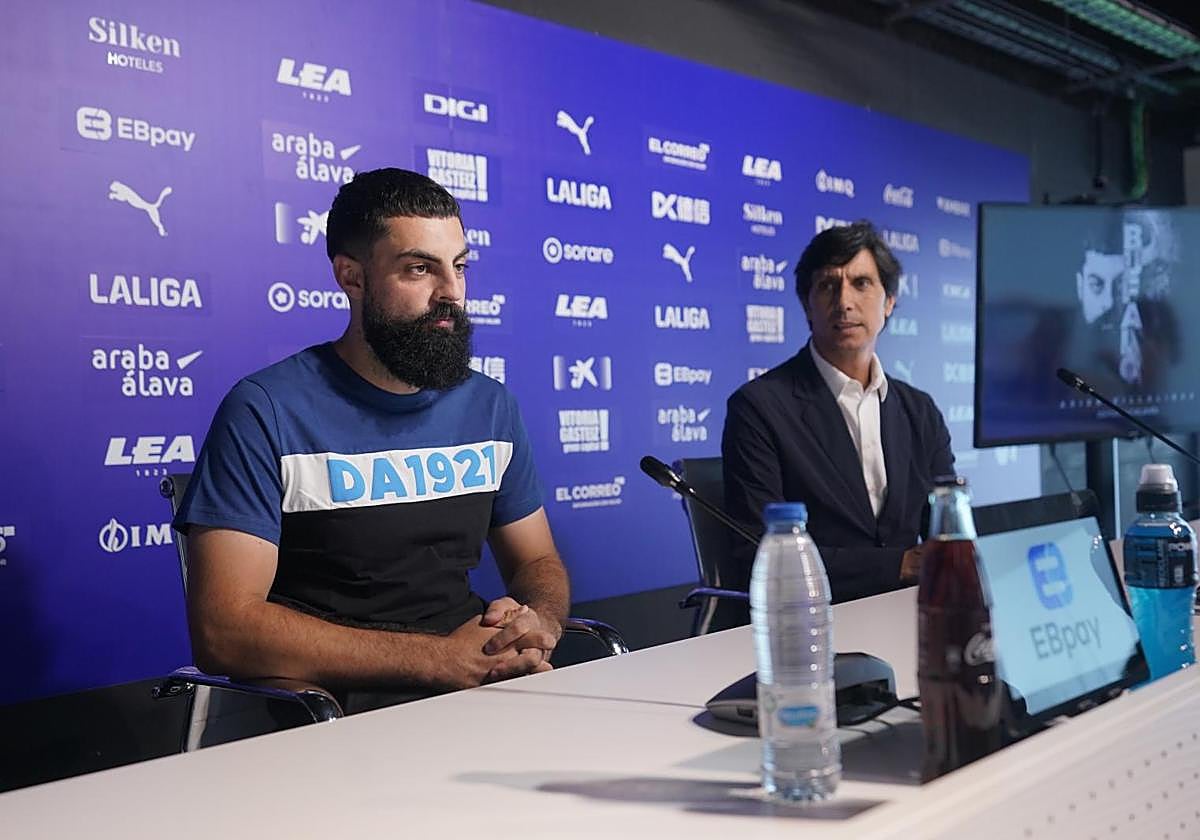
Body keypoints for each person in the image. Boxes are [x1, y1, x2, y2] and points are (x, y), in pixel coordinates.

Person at [173, 168, 569, 713]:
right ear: (350, 276)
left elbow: (538, 562)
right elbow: (224, 630)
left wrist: (538, 618)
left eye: (459, 267)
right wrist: (437, 661)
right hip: (331, 710)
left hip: (481, 683)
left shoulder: (490, 406)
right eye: (418, 269)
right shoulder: (265, 410)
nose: (450, 293)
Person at [722, 220, 954, 604]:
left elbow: (946, 532)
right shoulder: (759, 408)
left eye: (861, 283)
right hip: (811, 621)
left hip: (910, 613)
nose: (844, 301)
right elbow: (760, 554)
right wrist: (898, 565)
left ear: (889, 302)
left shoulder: (920, 411)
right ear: (806, 306)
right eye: (828, 285)